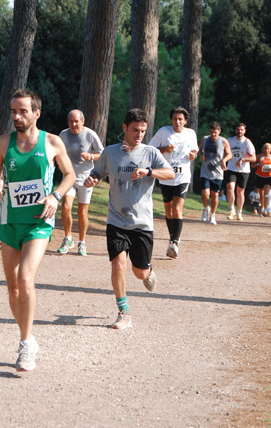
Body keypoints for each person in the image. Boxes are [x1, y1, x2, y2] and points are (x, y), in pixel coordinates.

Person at [0, 89, 76, 372]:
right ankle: (29, 336)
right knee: (12, 289)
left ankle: (25, 345)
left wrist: (56, 196)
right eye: (13, 111)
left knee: (25, 279)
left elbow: (70, 175)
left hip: (39, 221)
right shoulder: (3, 143)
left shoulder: (52, 142)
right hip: (9, 221)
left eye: (22, 111)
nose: (16, 116)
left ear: (36, 113)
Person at [84, 108, 174, 330]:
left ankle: (149, 270)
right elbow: (98, 172)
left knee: (139, 272)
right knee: (117, 264)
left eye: (143, 130)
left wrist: (149, 172)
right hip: (116, 219)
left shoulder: (151, 152)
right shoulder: (110, 152)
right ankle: (124, 313)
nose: (139, 134)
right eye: (135, 130)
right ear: (125, 128)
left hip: (142, 222)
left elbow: (170, 173)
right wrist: (92, 179)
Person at [148, 106, 198, 258]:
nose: (177, 122)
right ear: (171, 120)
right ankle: (172, 238)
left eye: (180, 119)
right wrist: (164, 149)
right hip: (166, 176)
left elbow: (194, 150)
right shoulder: (164, 132)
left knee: (177, 209)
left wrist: (193, 155)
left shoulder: (190, 133)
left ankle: (175, 243)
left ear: (185, 121)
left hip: (183, 176)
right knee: (168, 211)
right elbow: (150, 148)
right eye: (175, 119)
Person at [57, 110, 104, 256]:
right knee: (65, 207)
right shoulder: (63, 135)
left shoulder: (90, 135)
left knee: (82, 212)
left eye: (76, 121)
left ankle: (82, 242)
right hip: (69, 177)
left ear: (83, 121)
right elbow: (57, 152)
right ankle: (68, 238)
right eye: (71, 121)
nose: (73, 124)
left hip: (86, 179)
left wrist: (90, 155)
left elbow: (103, 154)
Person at [199, 122, 232, 225]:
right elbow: (200, 150)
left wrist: (224, 160)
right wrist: (201, 155)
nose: (213, 135)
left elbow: (229, 154)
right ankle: (205, 209)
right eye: (212, 132)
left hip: (217, 173)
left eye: (215, 132)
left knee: (215, 195)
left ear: (219, 131)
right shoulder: (205, 139)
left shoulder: (223, 141)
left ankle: (212, 215)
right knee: (205, 193)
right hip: (205, 171)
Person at [225, 123, 256, 221]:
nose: (239, 131)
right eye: (238, 129)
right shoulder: (229, 140)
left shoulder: (247, 142)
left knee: (240, 191)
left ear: (244, 131)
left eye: (241, 129)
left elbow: (253, 158)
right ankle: (231, 209)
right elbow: (223, 152)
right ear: (235, 130)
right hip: (231, 168)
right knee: (230, 188)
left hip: (243, 170)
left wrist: (243, 159)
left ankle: (239, 211)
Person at [251, 143, 271, 217]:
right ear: (263, 149)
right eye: (265, 148)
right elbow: (252, 165)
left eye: (268, 149)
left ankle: (265, 210)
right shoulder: (259, 156)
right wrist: (258, 164)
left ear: (270, 150)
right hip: (260, 176)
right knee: (261, 194)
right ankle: (262, 208)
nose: (266, 150)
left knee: (266, 194)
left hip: (268, 177)